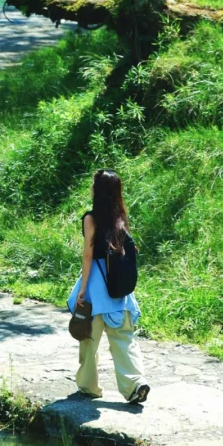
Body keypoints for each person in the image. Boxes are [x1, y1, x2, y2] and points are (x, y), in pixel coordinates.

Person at [67, 168, 150, 404]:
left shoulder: (90, 219)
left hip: (95, 289)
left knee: (89, 341)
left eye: (93, 183)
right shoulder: (120, 218)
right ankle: (135, 384)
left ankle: (89, 386)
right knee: (124, 339)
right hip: (118, 292)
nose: (91, 186)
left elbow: (88, 255)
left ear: (98, 190)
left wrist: (82, 289)